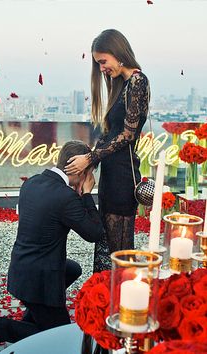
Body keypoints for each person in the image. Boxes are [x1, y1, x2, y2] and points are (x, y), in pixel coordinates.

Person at [0, 140, 104, 354]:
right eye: (90, 172)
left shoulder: (32, 182)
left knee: (73, 269)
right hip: (40, 281)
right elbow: (95, 233)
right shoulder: (66, 197)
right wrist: (87, 194)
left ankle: (35, 313)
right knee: (60, 337)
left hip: (20, 271)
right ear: (81, 171)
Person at [64, 29, 150, 272]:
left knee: (119, 250)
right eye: (97, 63)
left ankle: (120, 300)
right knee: (108, 243)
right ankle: (104, 298)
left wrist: (90, 158)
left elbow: (127, 135)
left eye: (103, 61)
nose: (101, 68)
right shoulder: (121, 84)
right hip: (111, 174)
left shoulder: (137, 80)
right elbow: (110, 133)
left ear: (118, 52)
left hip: (123, 175)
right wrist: (90, 162)